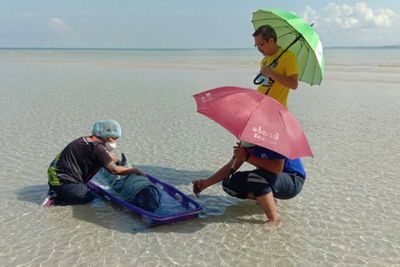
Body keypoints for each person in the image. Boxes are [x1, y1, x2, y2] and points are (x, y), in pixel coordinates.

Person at [192, 144, 306, 225]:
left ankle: (274, 219)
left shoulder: (276, 139)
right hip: (269, 178)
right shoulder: (247, 140)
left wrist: (247, 157)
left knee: (256, 177)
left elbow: (277, 168)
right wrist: (206, 183)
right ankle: (268, 199)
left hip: (293, 180)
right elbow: (231, 166)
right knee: (229, 184)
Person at [44, 119, 144, 205]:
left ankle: (58, 191)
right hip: (64, 182)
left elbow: (108, 155)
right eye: (115, 138)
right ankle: (57, 200)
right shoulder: (98, 149)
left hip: (56, 177)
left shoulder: (88, 140)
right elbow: (114, 170)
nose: (115, 141)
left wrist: (120, 162)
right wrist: (134, 170)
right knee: (95, 201)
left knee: (88, 191)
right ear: (108, 136)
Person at [253, 25, 299, 108]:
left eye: (261, 44)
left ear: (271, 40)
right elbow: (266, 84)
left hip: (277, 109)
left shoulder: (288, 56)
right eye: (257, 46)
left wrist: (272, 74)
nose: (259, 49)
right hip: (260, 106)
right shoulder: (264, 61)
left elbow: (294, 84)